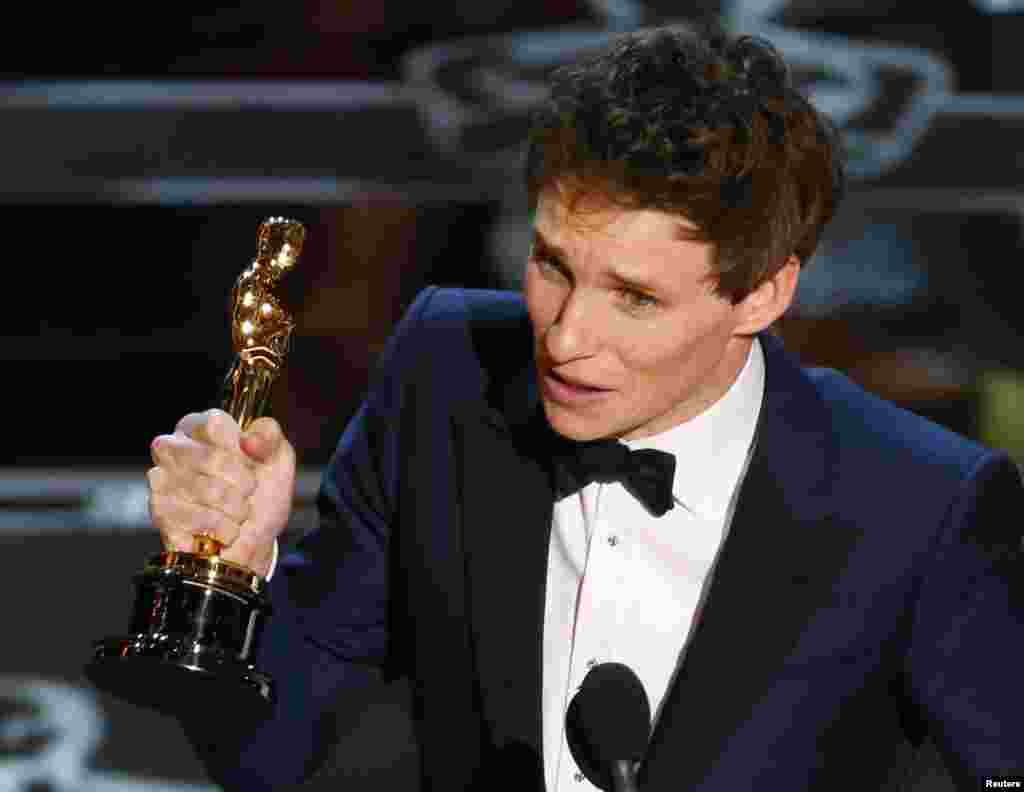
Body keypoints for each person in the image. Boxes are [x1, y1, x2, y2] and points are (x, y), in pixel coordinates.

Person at [147, 26, 1024, 791]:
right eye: (553, 267)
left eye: (635, 298)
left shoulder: (920, 504)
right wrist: (226, 570)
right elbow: (272, 756)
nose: (566, 336)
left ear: (762, 295)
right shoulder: (444, 373)